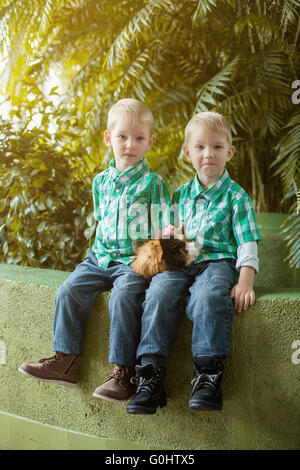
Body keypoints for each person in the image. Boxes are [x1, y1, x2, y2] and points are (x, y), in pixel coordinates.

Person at [19, 98, 176, 404]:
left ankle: (123, 374)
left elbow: (162, 225)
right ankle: (66, 360)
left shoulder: (153, 183)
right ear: (109, 138)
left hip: (131, 262)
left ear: (150, 142)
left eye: (139, 138)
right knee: (67, 291)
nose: (130, 144)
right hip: (99, 257)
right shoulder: (100, 182)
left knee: (124, 296)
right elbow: (103, 218)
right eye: (122, 137)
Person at [126, 111, 261, 414]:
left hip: (218, 263)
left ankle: (208, 375)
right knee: (159, 290)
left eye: (216, 146)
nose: (208, 154)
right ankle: (150, 375)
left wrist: (245, 280)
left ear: (230, 151)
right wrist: (169, 233)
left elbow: (247, 242)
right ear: (188, 153)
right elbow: (167, 233)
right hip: (182, 261)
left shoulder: (236, 198)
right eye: (199, 147)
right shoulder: (182, 195)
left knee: (207, 294)